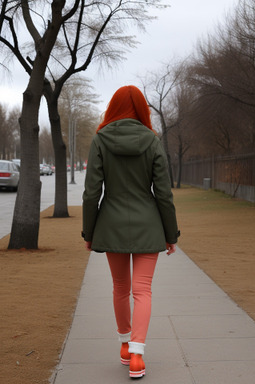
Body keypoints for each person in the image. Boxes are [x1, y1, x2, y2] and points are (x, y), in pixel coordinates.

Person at [82, 85, 180, 379]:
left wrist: (89, 232)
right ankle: (138, 355)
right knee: (143, 290)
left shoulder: (100, 139)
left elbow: (90, 194)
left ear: (112, 107)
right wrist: (170, 234)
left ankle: (125, 346)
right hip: (148, 224)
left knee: (120, 288)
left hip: (111, 223)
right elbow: (164, 194)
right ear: (141, 109)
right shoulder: (152, 140)